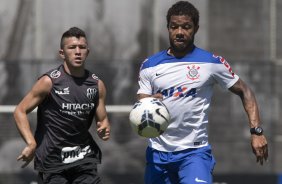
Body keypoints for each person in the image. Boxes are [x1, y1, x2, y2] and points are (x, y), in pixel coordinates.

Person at [136, 1, 268, 184]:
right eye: (174, 27)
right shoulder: (149, 65)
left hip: (194, 154)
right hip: (157, 155)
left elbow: (245, 91)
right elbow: (142, 104)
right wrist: (149, 102)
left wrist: (257, 131)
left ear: (196, 28)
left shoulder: (211, 63)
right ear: (168, 27)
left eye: (186, 27)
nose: (180, 32)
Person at [14, 27, 110, 184]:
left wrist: (104, 128)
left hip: (84, 158)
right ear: (62, 53)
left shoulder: (97, 84)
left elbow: (103, 119)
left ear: (88, 52)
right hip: (52, 161)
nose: (77, 51)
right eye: (72, 47)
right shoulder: (49, 82)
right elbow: (20, 111)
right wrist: (31, 143)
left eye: (82, 47)